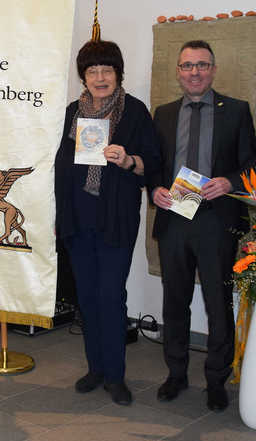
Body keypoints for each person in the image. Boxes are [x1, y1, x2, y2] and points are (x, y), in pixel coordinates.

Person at [149, 40, 256, 412]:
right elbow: (153, 166)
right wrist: (154, 190)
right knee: (174, 303)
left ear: (213, 70)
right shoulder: (162, 113)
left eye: (202, 65)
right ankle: (176, 374)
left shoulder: (238, 111)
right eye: (187, 66)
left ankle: (216, 380)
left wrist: (230, 182)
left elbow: (252, 166)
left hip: (216, 220)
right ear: (178, 72)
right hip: (174, 219)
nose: (194, 72)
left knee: (218, 305)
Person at [54, 40, 161, 405]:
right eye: (92, 71)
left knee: (110, 295)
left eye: (107, 70)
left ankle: (115, 375)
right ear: (83, 76)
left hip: (115, 220)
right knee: (86, 296)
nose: (100, 78)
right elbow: (60, 168)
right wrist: (60, 215)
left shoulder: (135, 112)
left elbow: (153, 162)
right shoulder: (73, 112)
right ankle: (95, 368)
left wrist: (129, 159)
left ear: (118, 74)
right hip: (77, 221)